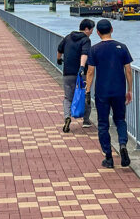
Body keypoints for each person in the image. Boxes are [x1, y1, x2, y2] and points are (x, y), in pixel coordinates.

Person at [85, 19, 134, 169]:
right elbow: (128, 70)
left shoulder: (94, 49)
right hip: (119, 91)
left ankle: (108, 157)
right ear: (112, 29)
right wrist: (129, 90)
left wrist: (87, 91)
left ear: (98, 32)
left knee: (103, 124)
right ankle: (123, 144)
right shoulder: (122, 47)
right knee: (120, 120)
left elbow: (91, 72)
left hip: (102, 92)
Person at [56, 19, 94, 133]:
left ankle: (67, 117)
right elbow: (85, 53)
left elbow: (59, 48)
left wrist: (58, 59)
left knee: (68, 98)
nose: (92, 32)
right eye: (91, 29)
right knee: (85, 95)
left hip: (67, 73)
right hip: (80, 74)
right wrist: (82, 67)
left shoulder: (68, 37)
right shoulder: (86, 40)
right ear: (86, 29)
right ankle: (86, 121)